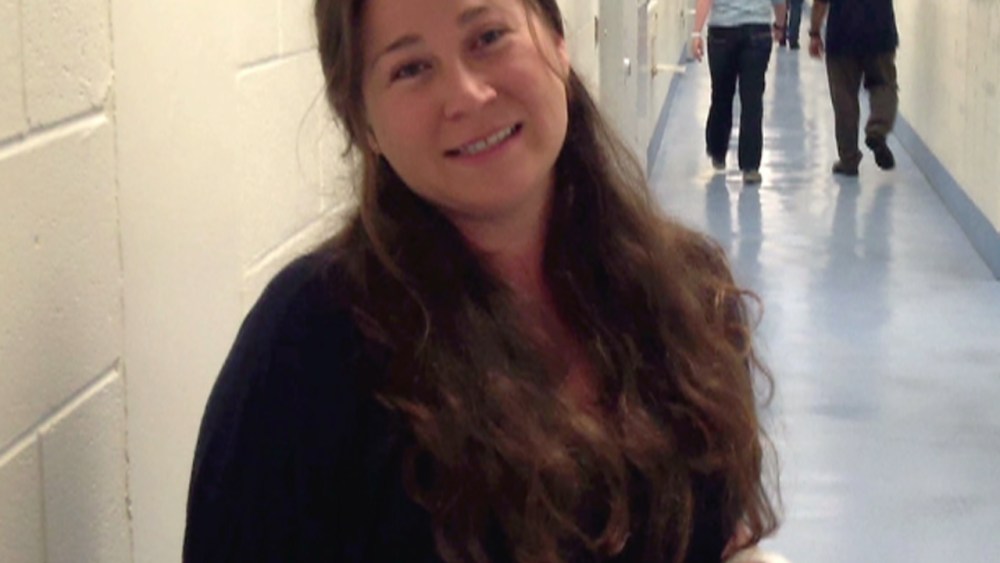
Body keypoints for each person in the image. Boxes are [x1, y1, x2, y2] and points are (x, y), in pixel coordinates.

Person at [183, 1, 780, 561]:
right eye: (410, 68)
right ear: (362, 122)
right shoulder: (306, 349)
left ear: (557, 42)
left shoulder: (686, 294)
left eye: (489, 37)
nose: (467, 95)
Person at [691, 0, 787, 184]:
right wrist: (780, 25)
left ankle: (717, 151)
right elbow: (779, 2)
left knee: (721, 94)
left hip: (721, 31)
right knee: (752, 99)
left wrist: (696, 32)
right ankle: (750, 166)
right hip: (758, 30)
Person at [808, 0, 899, 176]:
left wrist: (814, 33)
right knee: (883, 86)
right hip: (880, 32)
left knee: (844, 97)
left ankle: (848, 159)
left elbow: (820, 3)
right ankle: (877, 130)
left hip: (842, 34)